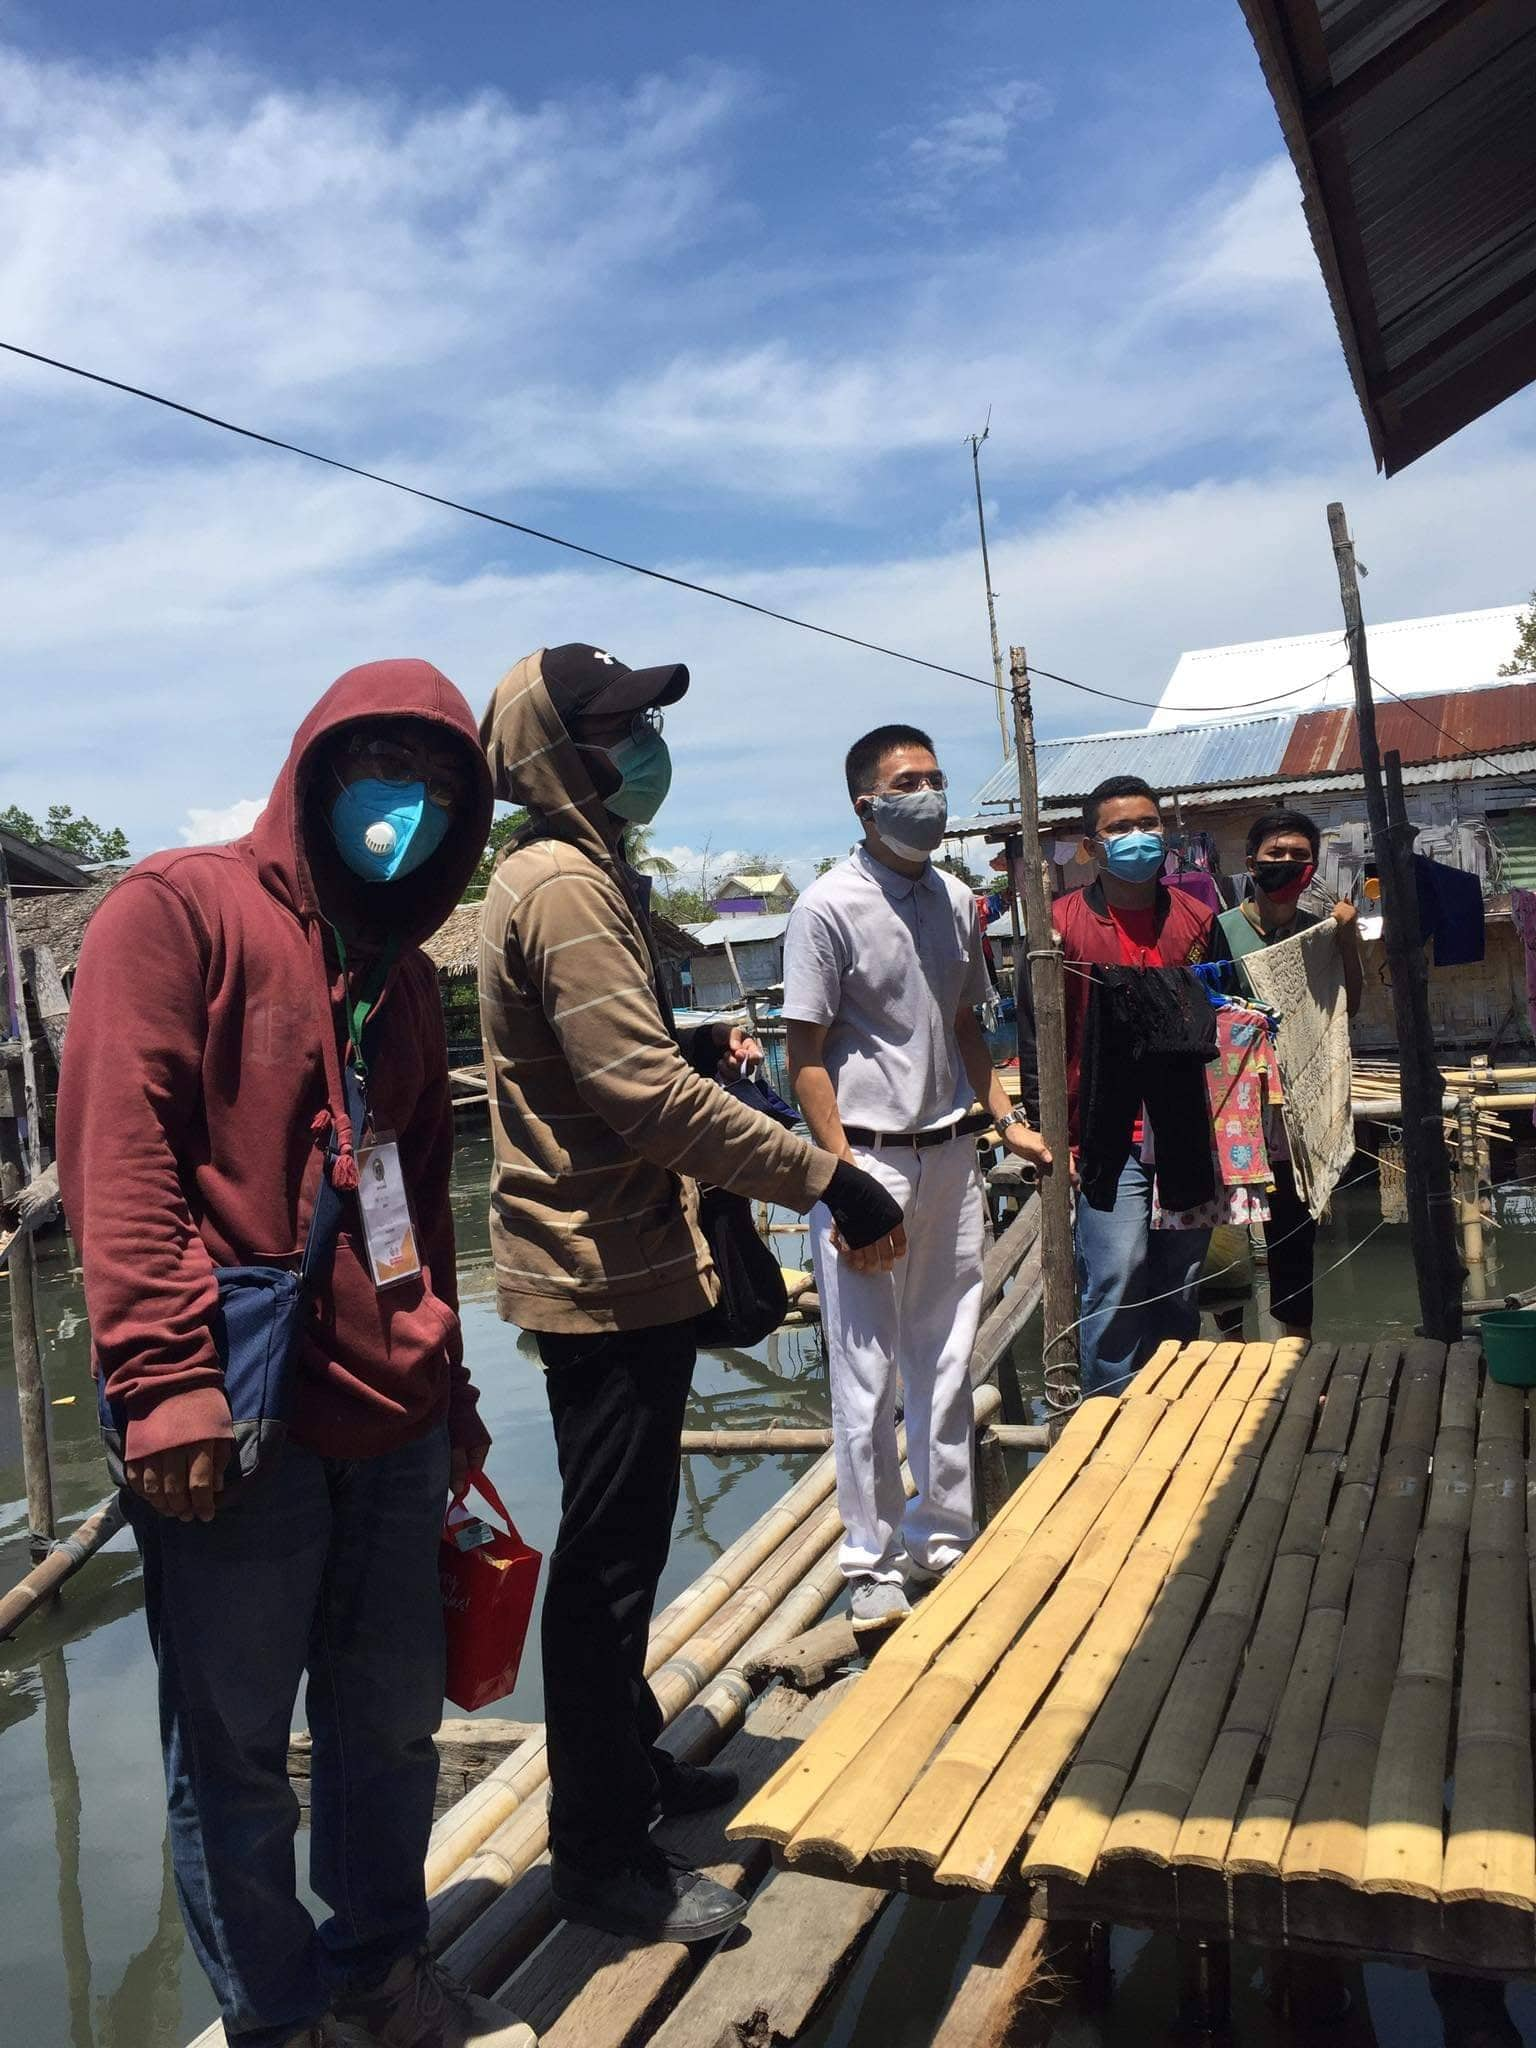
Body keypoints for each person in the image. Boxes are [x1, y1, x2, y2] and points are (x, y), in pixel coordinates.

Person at [57, 663, 534, 2048]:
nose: (410, 804)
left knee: (389, 1736)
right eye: (382, 765)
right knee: (238, 1763)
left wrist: (448, 1395)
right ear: (313, 771)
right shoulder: (179, 912)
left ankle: (384, 1975)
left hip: (390, 1426)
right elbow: (120, 1153)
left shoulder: (401, 978)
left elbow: (422, 1212)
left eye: (443, 787)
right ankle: (280, 2022)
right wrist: (162, 1385)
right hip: (234, 1429)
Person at [476, 645, 903, 1946]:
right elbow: (636, 1097)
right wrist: (823, 1179)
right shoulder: (556, 883)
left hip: (635, 1270)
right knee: (606, 1571)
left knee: (633, 1547)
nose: (649, 745)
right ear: (564, 752)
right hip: (596, 1282)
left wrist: (694, 1046)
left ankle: (629, 1766)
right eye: (624, 726)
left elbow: (627, 1059)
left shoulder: (586, 870)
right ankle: (601, 1854)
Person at [783, 724, 1052, 1628]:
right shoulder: (825, 907)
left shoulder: (959, 900)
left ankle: (944, 1533)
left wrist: (1009, 1121)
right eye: (909, 781)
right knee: (866, 1374)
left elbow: (969, 1028)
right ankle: (870, 1556)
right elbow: (805, 1057)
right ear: (866, 802)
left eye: (936, 778)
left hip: (953, 1156)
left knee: (945, 1353)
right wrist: (843, 1177)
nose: (930, 795)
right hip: (869, 1163)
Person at [1019, 773, 1228, 1398]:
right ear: (1092, 844)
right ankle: (1108, 1417)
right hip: (1104, 1133)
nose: (1137, 837)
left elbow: (1223, 1014)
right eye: (1119, 828)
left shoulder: (1196, 920)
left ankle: (1174, 1407)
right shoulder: (1059, 926)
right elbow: (1038, 1038)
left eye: (1148, 824)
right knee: (1114, 1278)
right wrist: (1049, 1131)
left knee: (1180, 1281)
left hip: (1188, 1125)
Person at [1218, 808, 1362, 1338]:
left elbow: (1345, 1006)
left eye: (1299, 857)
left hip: (1295, 1108)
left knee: (1293, 1237)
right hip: (1233, 1105)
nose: (1286, 864)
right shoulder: (1221, 931)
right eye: (1275, 854)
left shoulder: (1321, 933)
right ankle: (1231, 1349)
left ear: (1313, 867)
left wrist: (1347, 938)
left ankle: (1295, 1354)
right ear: (1251, 861)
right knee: (1227, 1230)